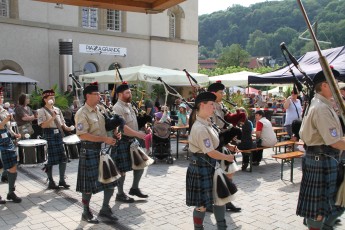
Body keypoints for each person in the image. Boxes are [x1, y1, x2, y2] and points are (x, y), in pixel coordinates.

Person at [296, 68, 345, 230]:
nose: (337, 86)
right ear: (325, 85)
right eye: (335, 83)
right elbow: (334, 142)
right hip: (321, 159)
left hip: (324, 159)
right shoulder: (321, 108)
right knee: (319, 208)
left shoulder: (323, 105)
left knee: (325, 205)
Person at [186, 91, 234, 230]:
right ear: (202, 105)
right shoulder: (199, 128)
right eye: (211, 104)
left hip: (210, 166)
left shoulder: (208, 123)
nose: (214, 107)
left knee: (219, 199)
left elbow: (215, 142)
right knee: (201, 205)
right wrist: (227, 157)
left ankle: (221, 227)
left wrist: (228, 145)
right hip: (201, 167)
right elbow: (211, 152)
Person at [75, 82, 120, 223]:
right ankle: (85, 211)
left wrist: (114, 134)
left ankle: (105, 209)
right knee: (88, 185)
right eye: (96, 94)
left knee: (111, 180)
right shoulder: (81, 113)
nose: (99, 96)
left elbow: (106, 126)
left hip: (103, 150)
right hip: (89, 150)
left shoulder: (100, 110)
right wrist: (104, 139)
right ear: (88, 96)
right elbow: (82, 135)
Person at [207, 82, 242, 212]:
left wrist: (230, 145)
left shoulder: (219, 105)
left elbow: (221, 129)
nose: (222, 95)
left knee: (229, 172)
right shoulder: (209, 106)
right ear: (213, 93)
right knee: (214, 175)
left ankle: (227, 200)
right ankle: (210, 202)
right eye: (221, 92)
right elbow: (212, 131)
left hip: (220, 142)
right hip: (213, 145)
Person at [112, 82, 147, 203]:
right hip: (123, 140)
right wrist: (138, 134)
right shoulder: (117, 107)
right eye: (127, 92)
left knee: (141, 163)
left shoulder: (129, 105)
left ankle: (134, 188)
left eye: (130, 92)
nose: (130, 94)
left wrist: (143, 127)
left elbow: (134, 121)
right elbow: (122, 127)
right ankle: (120, 194)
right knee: (122, 169)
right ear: (120, 94)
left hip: (133, 140)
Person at [37, 89, 74, 189]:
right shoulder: (41, 111)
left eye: (53, 97)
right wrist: (52, 117)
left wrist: (68, 128)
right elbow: (43, 125)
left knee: (63, 157)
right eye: (50, 98)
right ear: (45, 99)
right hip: (48, 134)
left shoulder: (57, 109)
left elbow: (62, 123)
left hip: (58, 135)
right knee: (50, 159)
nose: (52, 99)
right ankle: (51, 181)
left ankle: (62, 180)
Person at [0, 87, 22, 203]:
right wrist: (7, 118)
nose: (1, 98)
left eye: (2, 96)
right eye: (0, 96)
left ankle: (11, 192)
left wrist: (14, 134)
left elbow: (7, 126)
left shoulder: (3, 110)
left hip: (6, 140)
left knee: (13, 165)